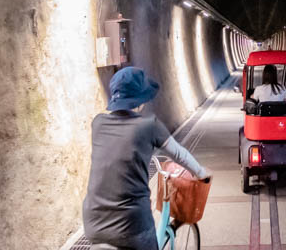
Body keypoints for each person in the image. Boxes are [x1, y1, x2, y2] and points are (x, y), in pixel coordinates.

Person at [82, 67, 210, 250]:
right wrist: (201, 173)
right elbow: (179, 154)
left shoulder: (98, 123)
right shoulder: (149, 126)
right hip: (131, 225)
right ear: (140, 100)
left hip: (93, 223)